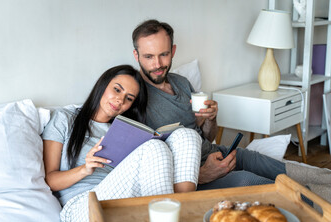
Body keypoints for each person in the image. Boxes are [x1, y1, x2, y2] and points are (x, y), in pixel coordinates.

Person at [131, 19, 331, 195]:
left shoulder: (181, 83)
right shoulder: (133, 96)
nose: (157, 64)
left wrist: (210, 119)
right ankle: (318, 206)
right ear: (136, 55)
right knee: (254, 182)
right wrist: (200, 175)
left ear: (173, 51)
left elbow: (206, 137)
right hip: (191, 176)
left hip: (217, 152)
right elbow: (144, 165)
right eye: (148, 56)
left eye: (163, 54)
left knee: (277, 166)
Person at [42, 65, 202, 222]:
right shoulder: (65, 119)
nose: (120, 100)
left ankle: (174, 220)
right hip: (82, 208)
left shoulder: (126, 131)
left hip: (125, 200)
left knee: (187, 136)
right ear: (103, 84)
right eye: (117, 90)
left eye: (129, 98)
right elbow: (50, 180)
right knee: (155, 147)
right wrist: (84, 169)